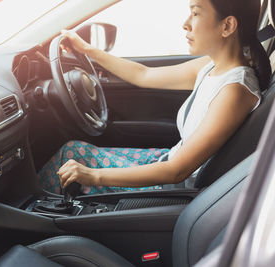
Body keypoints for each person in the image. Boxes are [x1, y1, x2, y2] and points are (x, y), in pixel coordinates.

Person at [37, 0, 271, 195]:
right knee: (73, 150)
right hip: (166, 160)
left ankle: (27, 227)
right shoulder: (212, 67)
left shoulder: (235, 89)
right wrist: (89, 50)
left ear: (227, 25)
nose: (185, 24)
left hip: (171, 187)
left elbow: (177, 171)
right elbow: (143, 74)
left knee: (72, 156)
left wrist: (91, 175)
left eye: (196, 13)